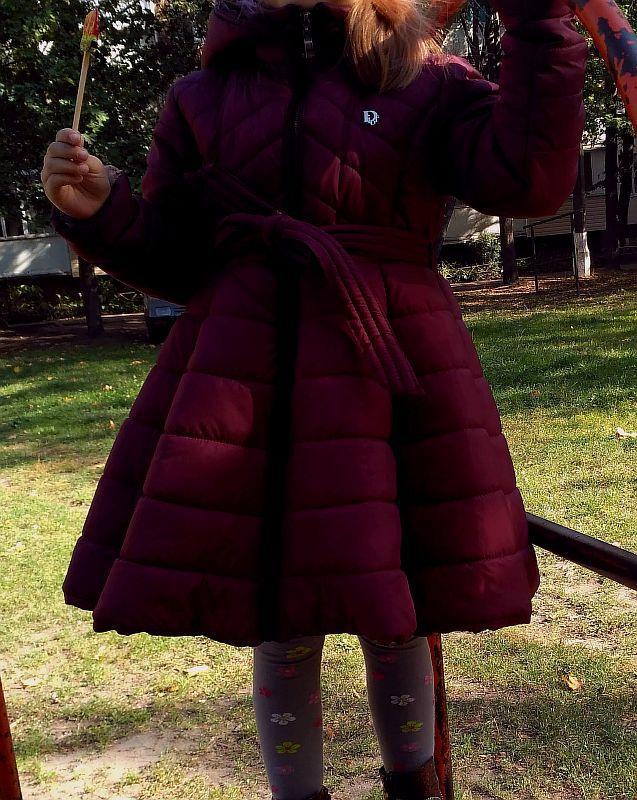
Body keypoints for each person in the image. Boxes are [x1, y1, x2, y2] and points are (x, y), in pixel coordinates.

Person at [41, 0, 587, 797]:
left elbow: (528, 178)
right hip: (247, 387)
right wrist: (103, 210)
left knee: (395, 614)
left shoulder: (426, 77)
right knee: (281, 622)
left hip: (389, 378)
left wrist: (538, 22)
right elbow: (181, 259)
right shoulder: (201, 96)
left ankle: (414, 788)